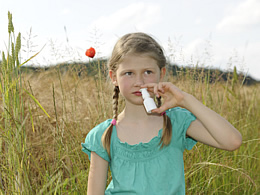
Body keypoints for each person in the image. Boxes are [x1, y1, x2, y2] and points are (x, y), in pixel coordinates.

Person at [82, 32, 242, 195]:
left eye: (148, 72)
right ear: (113, 77)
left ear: (162, 73)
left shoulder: (176, 122)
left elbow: (232, 141)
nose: (139, 82)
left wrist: (185, 99)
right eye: (129, 73)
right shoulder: (103, 135)